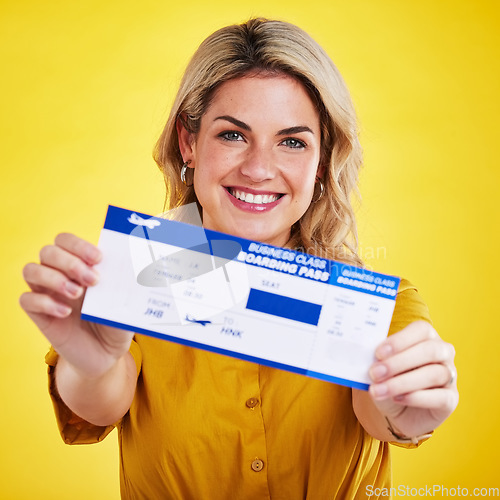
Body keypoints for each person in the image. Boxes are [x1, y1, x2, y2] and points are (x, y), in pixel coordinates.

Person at [20, 18, 458, 499]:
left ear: (320, 161)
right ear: (190, 143)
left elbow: (379, 413)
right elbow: (101, 404)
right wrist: (92, 364)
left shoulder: (381, 308)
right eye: (233, 135)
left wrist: (404, 413)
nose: (258, 168)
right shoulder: (134, 280)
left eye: (292, 142)